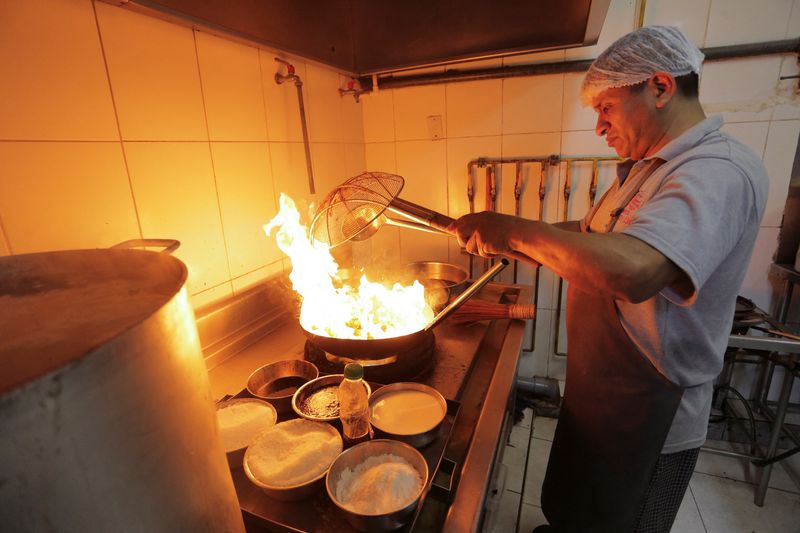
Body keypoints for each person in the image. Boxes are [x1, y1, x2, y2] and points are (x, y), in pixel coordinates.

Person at [449, 26, 768, 533]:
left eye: (607, 108)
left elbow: (633, 268)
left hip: (652, 411)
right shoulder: (646, 170)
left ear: (660, 87)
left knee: (627, 522)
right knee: (581, 509)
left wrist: (512, 229)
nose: (599, 127)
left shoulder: (716, 171)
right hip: (605, 390)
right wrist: (505, 238)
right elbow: (591, 235)